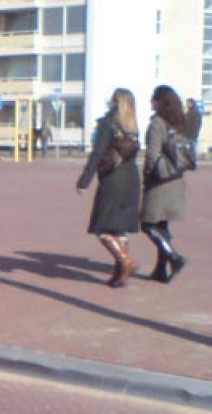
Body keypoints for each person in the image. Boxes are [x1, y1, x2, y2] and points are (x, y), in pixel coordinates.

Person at [76, 88, 142, 287]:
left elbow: (97, 152)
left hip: (113, 179)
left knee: (102, 227)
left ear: (115, 102)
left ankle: (125, 261)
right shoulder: (132, 125)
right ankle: (120, 272)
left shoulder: (108, 123)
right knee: (120, 228)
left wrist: (84, 180)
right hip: (131, 178)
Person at [141, 84, 191, 283]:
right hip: (177, 178)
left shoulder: (158, 123)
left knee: (148, 224)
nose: (150, 102)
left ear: (159, 102)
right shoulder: (179, 122)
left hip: (160, 180)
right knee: (162, 224)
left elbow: (152, 155)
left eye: (153, 99)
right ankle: (160, 270)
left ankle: (174, 257)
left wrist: (147, 176)